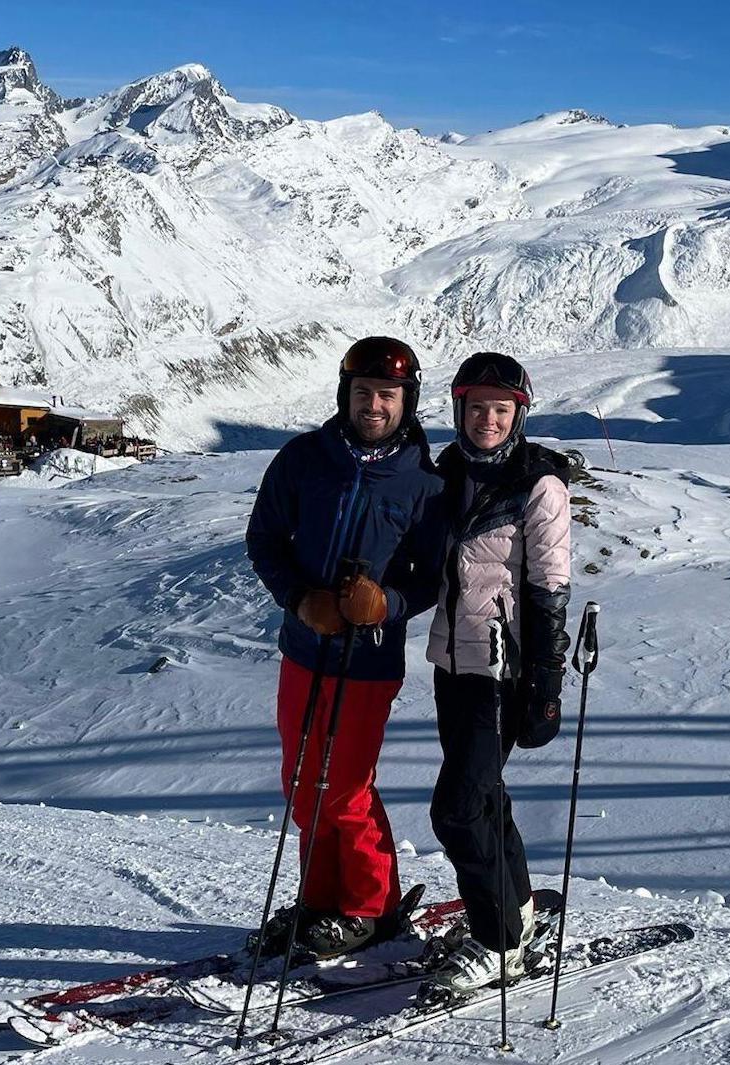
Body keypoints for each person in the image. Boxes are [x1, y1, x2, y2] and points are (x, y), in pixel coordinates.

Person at [246, 337, 446, 959]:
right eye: (363, 393)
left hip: (370, 660)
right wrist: (300, 599)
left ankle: (369, 906)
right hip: (305, 648)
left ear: (407, 402)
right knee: (303, 782)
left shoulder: (422, 483)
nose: (374, 405)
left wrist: (384, 603)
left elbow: (432, 576)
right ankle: (321, 899)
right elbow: (265, 539)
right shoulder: (305, 459)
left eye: (387, 395)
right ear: (345, 395)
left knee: (345, 787)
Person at [425, 351, 571, 992]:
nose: (488, 419)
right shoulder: (448, 472)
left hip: (503, 669)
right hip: (452, 662)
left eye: (501, 408)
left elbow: (549, 587)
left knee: (457, 809)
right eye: (477, 406)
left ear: (519, 415)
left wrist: (544, 678)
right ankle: (518, 912)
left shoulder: (538, 485)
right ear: (459, 409)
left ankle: (497, 940)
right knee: (484, 795)